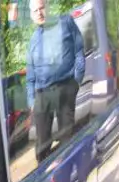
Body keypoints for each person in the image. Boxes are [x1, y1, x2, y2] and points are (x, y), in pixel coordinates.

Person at [25, 0, 85, 162]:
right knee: (42, 143)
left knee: (67, 138)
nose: (39, 13)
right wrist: (32, 100)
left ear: (48, 7)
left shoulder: (66, 22)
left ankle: (65, 177)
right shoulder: (33, 40)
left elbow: (79, 51)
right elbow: (30, 76)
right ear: (31, 15)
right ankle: (43, 180)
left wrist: (76, 81)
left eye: (41, 8)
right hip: (42, 94)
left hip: (65, 87)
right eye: (35, 11)